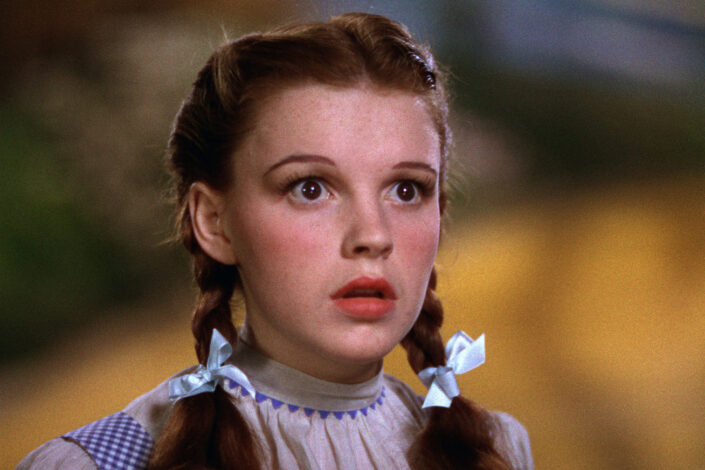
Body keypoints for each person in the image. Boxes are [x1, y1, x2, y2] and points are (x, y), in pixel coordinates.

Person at [17, 12, 533, 470]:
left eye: (406, 190)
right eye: (310, 188)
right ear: (214, 222)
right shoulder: (102, 462)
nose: (373, 236)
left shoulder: (495, 450)